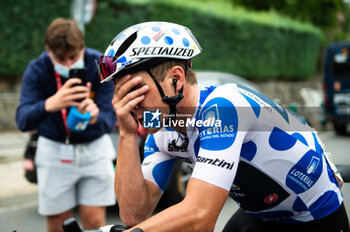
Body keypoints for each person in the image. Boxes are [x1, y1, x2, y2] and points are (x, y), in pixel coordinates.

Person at [98, 21, 350, 232]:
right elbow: (134, 215)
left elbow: (200, 217)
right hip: (260, 214)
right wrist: (127, 134)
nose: (126, 104)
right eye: (120, 93)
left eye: (134, 91)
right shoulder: (163, 123)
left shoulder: (223, 107)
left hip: (313, 217)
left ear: (175, 79)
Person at [16, 18, 116, 232]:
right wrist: (51, 104)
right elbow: (22, 120)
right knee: (58, 225)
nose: (69, 64)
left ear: (83, 47)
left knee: (95, 224)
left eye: (73, 57)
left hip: (95, 150)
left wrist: (96, 115)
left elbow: (112, 118)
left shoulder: (103, 63)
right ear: (48, 51)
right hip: (54, 151)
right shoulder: (37, 68)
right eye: (61, 59)